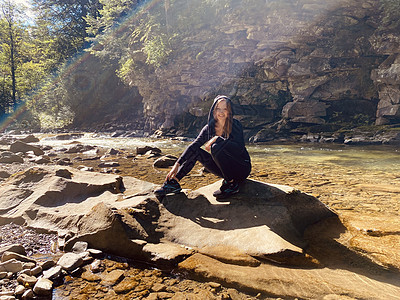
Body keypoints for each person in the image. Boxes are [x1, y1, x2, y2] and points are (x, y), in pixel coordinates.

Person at [155, 95, 251, 199]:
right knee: (196, 151)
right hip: (225, 169)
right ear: (214, 110)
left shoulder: (236, 125)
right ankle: (174, 182)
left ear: (230, 111)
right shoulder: (209, 128)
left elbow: (239, 148)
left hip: (241, 168)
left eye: (225, 109)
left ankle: (231, 184)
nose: (221, 112)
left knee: (215, 146)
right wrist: (177, 165)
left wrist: (217, 139)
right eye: (218, 109)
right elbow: (193, 146)